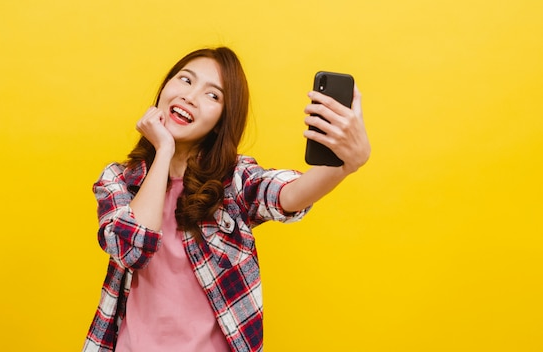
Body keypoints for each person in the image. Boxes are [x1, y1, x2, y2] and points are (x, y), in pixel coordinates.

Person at [82, 46, 370, 352]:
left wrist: (344, 167)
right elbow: (132, 250)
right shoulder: (118, 180)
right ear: (165, 87)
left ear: (221, 119)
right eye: (186, 80)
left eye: (213, 95)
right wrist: (163, 150)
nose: (190, 97)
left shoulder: (233, 180)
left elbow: (287, 194)